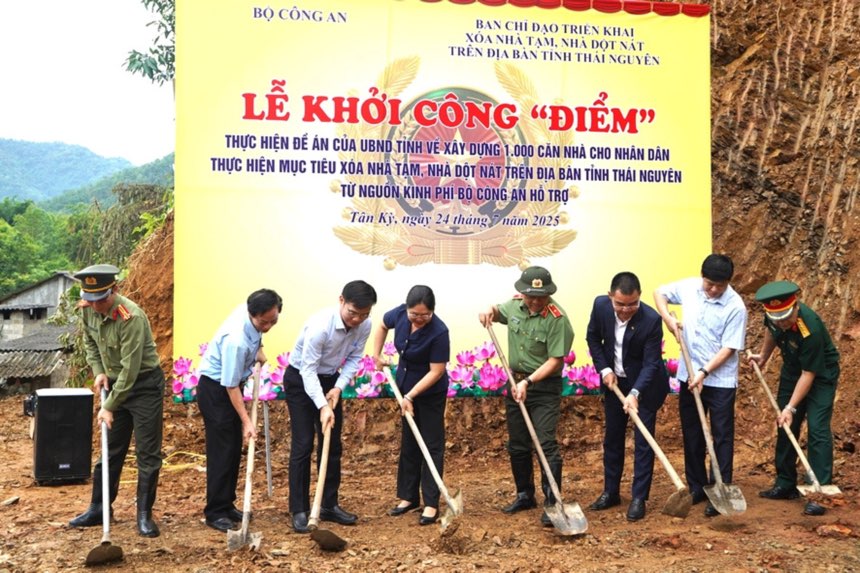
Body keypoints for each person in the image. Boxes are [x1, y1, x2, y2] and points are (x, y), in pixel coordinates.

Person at [68, 264, 165, 537]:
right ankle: (99, 508)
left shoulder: (130, 317)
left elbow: (131, 370)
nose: (96, 306)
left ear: (115, 290)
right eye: (91, 299)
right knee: (110, 451)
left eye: (102, 299)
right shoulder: (88, 309)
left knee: (147, 453)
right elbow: (89, 342)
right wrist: (98, 371)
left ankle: (144, 514)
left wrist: (109, 406)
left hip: (144, 386)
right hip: (115, 384)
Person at [478, 266, 574, 527]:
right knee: (518, 443)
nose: (534, 301)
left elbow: (555, 361)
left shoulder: (557, 319)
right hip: (515, 382)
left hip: (542, 387)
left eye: (540, 296)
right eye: (530, 295)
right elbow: (498, 311)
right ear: (522, 292)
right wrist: (489, 310)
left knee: (545, 443)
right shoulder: (515, 306)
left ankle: (553, 501)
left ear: (548, 294)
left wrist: (529, 382)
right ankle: (524, 494)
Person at [654, 254, 747, 517]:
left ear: (728, 282)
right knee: (693, 432)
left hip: (720, 380)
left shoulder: (736, 307)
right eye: (709, 284)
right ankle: (697, 486)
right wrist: (669, 320)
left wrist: (705, 372)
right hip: (689, 375)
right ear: (702, 277)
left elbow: (729, 348)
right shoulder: (689, 288)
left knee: (721, 434)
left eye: (720, 285)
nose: (714, 290)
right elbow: (658, 292)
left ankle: (720, 484)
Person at [285, 280, 377, 533]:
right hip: (300, 379)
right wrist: (322, 406)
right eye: (352, 313)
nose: (357, 319)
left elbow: (355, 358)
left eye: (364, 314)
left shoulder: (364, 325)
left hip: (330, 381)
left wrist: (338, 387)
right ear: (341, 301)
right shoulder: (320, 327)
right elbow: (307, 370)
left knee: (332, 443)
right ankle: (300, 508)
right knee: (303, 444)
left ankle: (328, 504)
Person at [749, 280, 839, 516]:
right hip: (792, 371)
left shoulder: (811, 328)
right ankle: (785, 483)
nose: (783, 322)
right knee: (785, 425)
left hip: (820, 375)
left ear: (796, 306)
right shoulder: (775, 316)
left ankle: (819, 492)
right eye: (778, 318)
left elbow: (809, 374)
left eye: (786, 318)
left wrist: (790, 406)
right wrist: (764, 356)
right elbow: (771, 329)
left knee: (818, 429)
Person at [586, 272, 669, 521]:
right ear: (611, 296)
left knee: (643, 443)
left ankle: (638, 498)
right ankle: (611, 492)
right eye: (620, 304)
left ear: (639, 297)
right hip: (615, 383)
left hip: (646, 385)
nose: (625, 310)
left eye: (632, 304)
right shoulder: (600, 306)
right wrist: (605, 369)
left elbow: (651, 363)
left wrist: (635, 393)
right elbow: (593, 338)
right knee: (613, 438)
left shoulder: (651, 320)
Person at [197, 289, 282, 532]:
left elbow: (257, 337)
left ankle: (226, 503)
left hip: (229, 388)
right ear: (251, 314)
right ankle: (214, 512)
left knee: (233, 449)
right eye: (262, 322)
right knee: (222, 451)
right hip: (216, 391)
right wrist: (247, 421)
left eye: (272, 321)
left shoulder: (252, 320)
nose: (267, 326)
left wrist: (259, 348)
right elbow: (231, 385)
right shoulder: (236, 340)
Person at [371, 285, 450, 526]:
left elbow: (437, 371)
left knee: (431, 444)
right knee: (409, 442)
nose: (418, 319)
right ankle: (408, 497)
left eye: (424, 315)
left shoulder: (439, 332)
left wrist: (411, 396)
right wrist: (377, 355)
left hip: (429, 391)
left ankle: (431, 503)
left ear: (432, 312)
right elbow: (382, 326)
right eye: (414, 314)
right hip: (405, 386)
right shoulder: (400, 315)